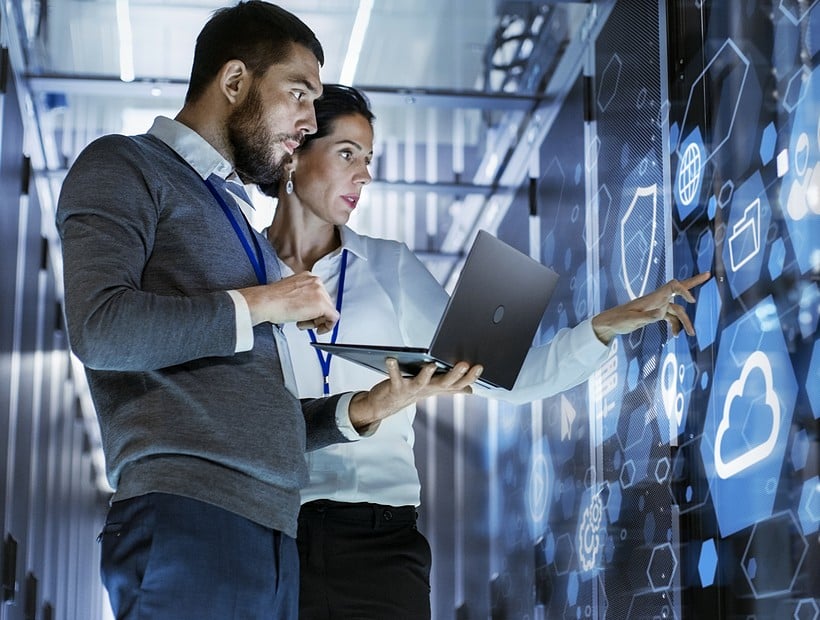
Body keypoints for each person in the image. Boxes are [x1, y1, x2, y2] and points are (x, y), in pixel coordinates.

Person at [55, 6, 481, 620]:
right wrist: (266, 301)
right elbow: (101, 328)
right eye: (298, 94)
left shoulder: (242, 229)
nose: (308, 120)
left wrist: (367, 409)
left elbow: (258, 411)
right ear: (234, 83)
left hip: (273, 533)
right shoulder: (124, 165)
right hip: (189, 515)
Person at [264, 84, 711, 619]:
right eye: (346, 154)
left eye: (368, 159)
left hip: (380, 542)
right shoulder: (242, 273)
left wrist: (605, 326)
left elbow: (509, 379)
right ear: (295, 152)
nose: (364, 175)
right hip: (271, 533)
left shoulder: (390, 267)